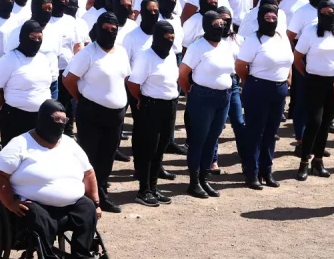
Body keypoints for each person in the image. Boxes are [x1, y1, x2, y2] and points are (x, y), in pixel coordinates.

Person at [0, 99, 100, 259]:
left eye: (64, 120)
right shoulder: (20, 144)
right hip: (35, 205)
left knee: (88, 208)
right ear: (44, 119)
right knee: (39, 217)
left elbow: (89, 173)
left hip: (72, 204)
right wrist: (10, 203)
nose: (61, 124)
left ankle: (82, 255)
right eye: (57, 119)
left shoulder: (69, 143)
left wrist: (96, 203)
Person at [63, 12, 131, 213]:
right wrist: (82, 99)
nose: (109, 33)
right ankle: (85, 198)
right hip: (91, 113)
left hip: (115, 114)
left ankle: (102, 194)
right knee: (89, 156)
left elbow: (124, 78)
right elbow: (68, 80)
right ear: (97, 29)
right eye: (105, 29)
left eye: (113, 30)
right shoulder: (87, 53)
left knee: (107, 156)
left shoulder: (121, 52)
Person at [178, 11, 235, 199]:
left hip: (223, 98)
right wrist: (190, 93)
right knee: (198, 140)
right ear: (206, 26)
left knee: (212, 139)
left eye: (222, 25)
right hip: (203, 98)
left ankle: (204, 179)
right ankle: (193, 182)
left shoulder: (225, 46)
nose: (220, 28)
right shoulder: (198, 47)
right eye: (216, 25)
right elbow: (183, 74)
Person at [236, 4, 293, 190]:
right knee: (255, 132)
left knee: (271, 133)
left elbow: (289, 59)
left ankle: (266, 170)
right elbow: (240, 66)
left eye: (273, 17)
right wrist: (250, 82)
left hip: (279, 89)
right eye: (267, 18)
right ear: (260, 19)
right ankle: (251, 172)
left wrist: (288, 78)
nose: (271, 20)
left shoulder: (282, 36)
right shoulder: (253, 40)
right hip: (258, 88)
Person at [294, 0, 334, 181]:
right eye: (323, 13)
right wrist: (307, 74)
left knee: (326, 122)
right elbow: (297, 57)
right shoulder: (309, 31)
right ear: (318, 14)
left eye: (330, 12)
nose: (327, 16)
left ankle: (318, 161)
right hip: (314, 81)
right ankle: (304, 162)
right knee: (314, 122)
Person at [127, 21, 178, 207]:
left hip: (170, 106)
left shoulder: (171, 54)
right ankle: (143, 190)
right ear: (156, 37)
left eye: (172, 37)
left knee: (161, 148)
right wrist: (141, 99)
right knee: (148, 149)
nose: (169, 41)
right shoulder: (145, 57)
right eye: (166, 37)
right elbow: (133, 84)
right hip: (152, 106)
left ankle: (154, 187)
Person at [0, 20, 54, 146]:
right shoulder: (8, 59)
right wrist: (4, 107)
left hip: (41, 117)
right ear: (23, 36)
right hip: (15, 118)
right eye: (32, 37)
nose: (36, 41)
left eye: (40, 38)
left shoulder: (43, 59)